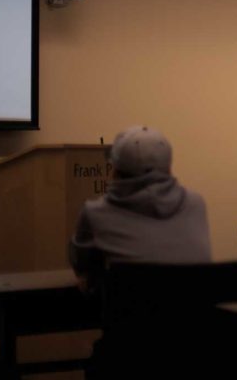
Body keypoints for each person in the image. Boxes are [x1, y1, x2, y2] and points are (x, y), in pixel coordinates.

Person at [69, 125, 211, 293]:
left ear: (115, 171)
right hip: (195, 317)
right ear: (168, 168)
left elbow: (83, 270)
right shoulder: (196, 204)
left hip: (130, 318)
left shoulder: (95, 213)